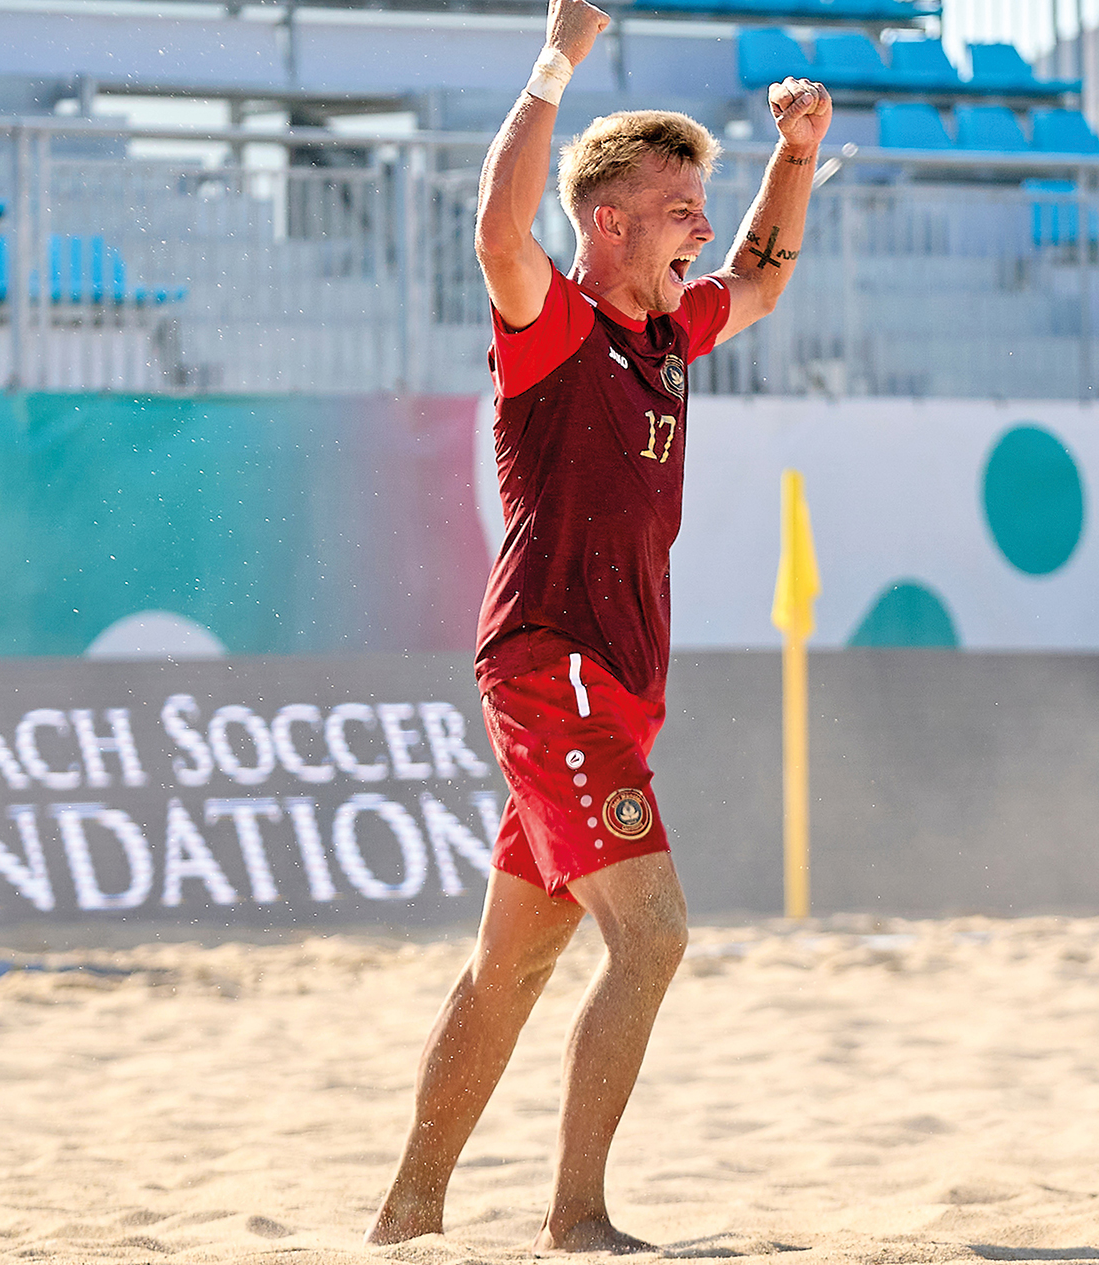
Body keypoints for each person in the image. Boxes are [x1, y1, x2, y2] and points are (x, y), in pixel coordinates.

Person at [367, 0, 831, 1251]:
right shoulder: (552, 327)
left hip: (614, 684)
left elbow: (762, 278)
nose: (701, 229)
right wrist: (556, 59)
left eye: (700, 208)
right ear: (608, 220)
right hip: (552, 667)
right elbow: (495, 230)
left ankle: (406, 1214)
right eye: (679, 208)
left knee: (508, 967)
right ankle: (575, 1217)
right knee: (654, 935)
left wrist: (794, 155)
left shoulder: (669, 334)